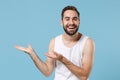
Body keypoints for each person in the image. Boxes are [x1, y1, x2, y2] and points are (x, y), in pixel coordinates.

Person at [14, 5, 95, 80]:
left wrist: (62, 59)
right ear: (61, 22)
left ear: (79, 21)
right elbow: (47, 72)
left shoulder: (87, 42)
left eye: (74, 19)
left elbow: (84, 76)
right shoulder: (54, 42)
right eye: (67, 19)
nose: (71, 23)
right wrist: (33, 55)